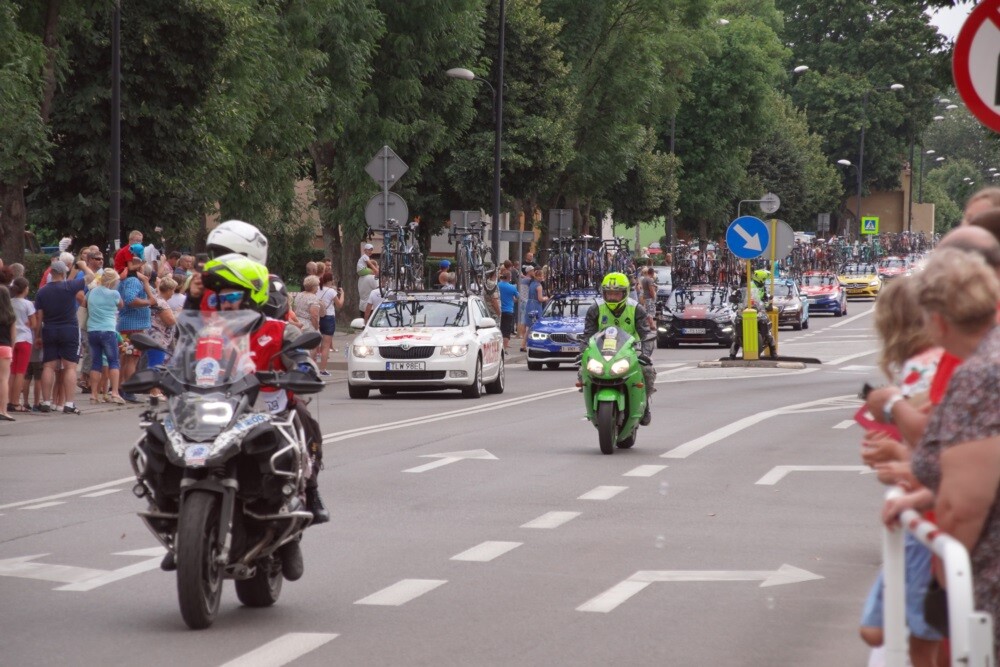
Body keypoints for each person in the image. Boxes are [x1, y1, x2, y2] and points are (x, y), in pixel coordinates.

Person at [879, 248, 1000, 663]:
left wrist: (949, 575)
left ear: (939, 320)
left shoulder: (982, 374)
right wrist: (926, 496)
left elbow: (963, 509)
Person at [201, 254, 329, 524]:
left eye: (232, 294)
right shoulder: (209, 333)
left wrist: (303, 369)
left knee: (306, 423)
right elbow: (187, 362)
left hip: (273, 413)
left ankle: (312, 490)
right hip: (222, 412)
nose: (224, 301)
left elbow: (300, 358)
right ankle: (184, 521)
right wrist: (164, 374)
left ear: (252, 296)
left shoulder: (281, 330)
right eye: (219, 296)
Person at [857, 277, 943, 667]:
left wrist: (901, 455)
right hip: (930, 508)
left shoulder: (922, 368)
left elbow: (933, 443)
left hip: (931, 517)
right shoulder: (944, 363)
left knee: (917, 636)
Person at [582, 272, 655, 425]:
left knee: (647, 371)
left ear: (625, 292)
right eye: (609, 293)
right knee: (583, 371)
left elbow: (646, 334)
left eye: (616, 293)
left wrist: (645, 353)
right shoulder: (595, 308)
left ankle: (645, 404)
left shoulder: (636, 309)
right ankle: (591, 405)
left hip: (630, 352)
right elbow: (587, 336)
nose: (612, 297)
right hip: (602, 353)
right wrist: (583, 352)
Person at [34, 259, 95, 413]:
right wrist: (83, 265)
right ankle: (68, 403)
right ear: (63, 273)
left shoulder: (42, 291)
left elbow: (39, 316)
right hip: (69, 329)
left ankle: (46, 401)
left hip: (49, 329)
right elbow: (91, 277)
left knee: (48, 366)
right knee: (70, 367)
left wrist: (38, 335)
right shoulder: (70, 286)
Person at [117, 246, 156, 402]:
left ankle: (122, 388)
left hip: (130, 324)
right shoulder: (134, 281)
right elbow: (130, 300)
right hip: (133, 326)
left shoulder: (128, 280)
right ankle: (128, 389)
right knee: (131, 358)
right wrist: (148, 302)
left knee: (127, 358)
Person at [85, 269, 125, 404]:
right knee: (113, 361)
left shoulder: (91, 292)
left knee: (96, 362)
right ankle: (114, 392)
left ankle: (94, 394)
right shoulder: (114, 293)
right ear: (113, 281)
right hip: (108, 329)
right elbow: (121, 305)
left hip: (92, 330)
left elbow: (84, 304)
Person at [9, 278, 36, 413]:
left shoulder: (10, 302)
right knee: (21, 371)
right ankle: (15, 401)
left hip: (13, 339)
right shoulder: (27, 304)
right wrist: (30, 324)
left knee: (12, 371)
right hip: (25, 338)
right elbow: (34, 323)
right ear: (25, 289)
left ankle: (8, 399)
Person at [316, 273, 343, 375]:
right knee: (326, 346)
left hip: (318, 317)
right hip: (329, 317)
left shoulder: (317, 289)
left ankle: (312, 368)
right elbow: (339, 304)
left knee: (315, 345)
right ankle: (322, 369)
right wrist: (342, 294)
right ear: (331, 280)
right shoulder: (331, 291)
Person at [0, 286, 16, 421]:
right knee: (4, 379)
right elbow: (13, 337)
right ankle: (3, 410)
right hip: (5, 348)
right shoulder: (10, 315)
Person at [497, 269, 518, 349]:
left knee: (500, 329)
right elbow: (517, 298)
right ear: (509, 277)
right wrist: (513, 299)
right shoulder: (512, 287)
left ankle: (499, 347)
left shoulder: (498, 285)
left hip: (499, 310)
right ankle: (504, 348)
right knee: (506, 331)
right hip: (509, 310)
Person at [357, 243, 379, 316]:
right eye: (369, 250)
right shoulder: (371, 277)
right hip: (370, 307)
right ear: (365, 250)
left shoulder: (361, 278)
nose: (370, 252)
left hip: (362, 306)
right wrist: (376, 271)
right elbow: (378, 289)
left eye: (371, 250)